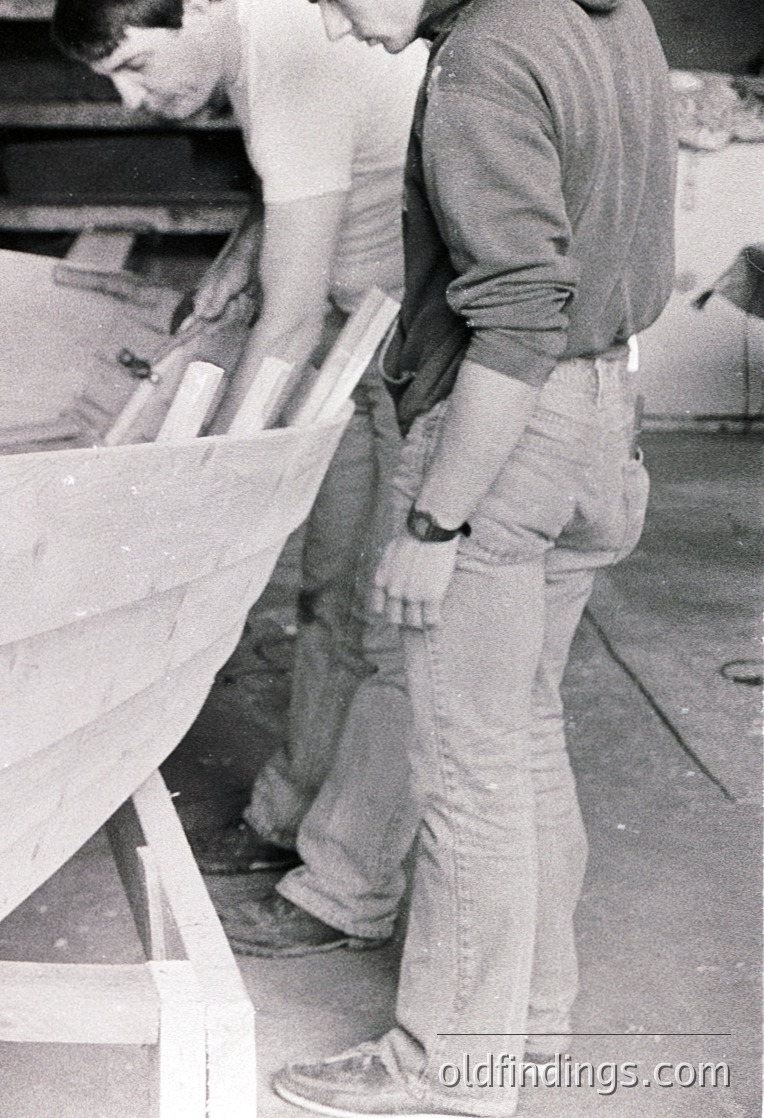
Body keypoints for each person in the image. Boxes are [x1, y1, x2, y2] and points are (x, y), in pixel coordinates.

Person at [272, 0, 674, 1112]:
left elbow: (520, 315)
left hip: (506, 432)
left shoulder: (484, 60)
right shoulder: (608, 14)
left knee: (466, 771)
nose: (329, 16)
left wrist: (434, 521)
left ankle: (448, 1064)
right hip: (606, 414)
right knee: (525, 736)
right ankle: (527, 1024)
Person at [51, 0, 429, 957]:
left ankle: (344, 885)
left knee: (392, 628)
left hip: (414, 355)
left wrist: (215, 477)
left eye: (136, 65)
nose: (135, 100)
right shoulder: (264, 50)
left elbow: (290, 324)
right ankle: (289, 818)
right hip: (365, 329)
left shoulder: (287, 50)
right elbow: (320, 178)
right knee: (329, 592)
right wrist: (246, 248)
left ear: (195, 9)